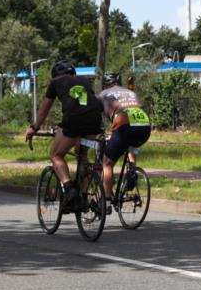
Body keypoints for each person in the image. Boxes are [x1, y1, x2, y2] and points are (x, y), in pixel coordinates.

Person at [25, 59, 104, 206]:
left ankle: (69, 189)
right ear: (73, 72)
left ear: (55, 74)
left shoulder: (56, 82)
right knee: (83, 155)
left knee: (56, 155)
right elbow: (89, 102)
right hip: (94, 120)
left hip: (73, 121)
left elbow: (44, 109)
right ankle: (84, 197)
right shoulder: (84, 80)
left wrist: (34, 127)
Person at [98, 71, 151, 213]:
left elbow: (97, 118)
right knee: (131, 143)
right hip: (145, 124)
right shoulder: (130, 92)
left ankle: (107, 201)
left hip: (124, 124)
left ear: (105, 84)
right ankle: (132, 171)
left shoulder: (103, 95)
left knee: (107, 163)